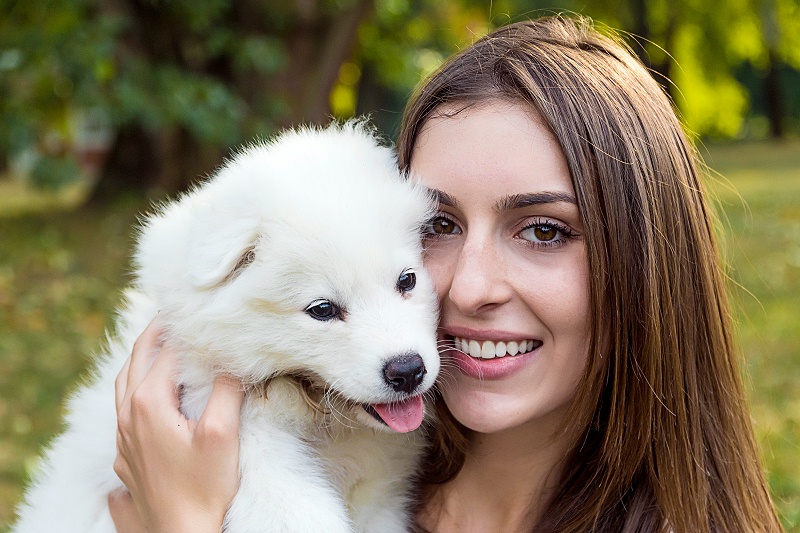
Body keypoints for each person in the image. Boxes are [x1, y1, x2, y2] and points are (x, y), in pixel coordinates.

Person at [110, 15, 783, 533]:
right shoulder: (316, 448)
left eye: (544, 230)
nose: (466, 287)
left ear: (646, 261)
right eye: (438, 225)